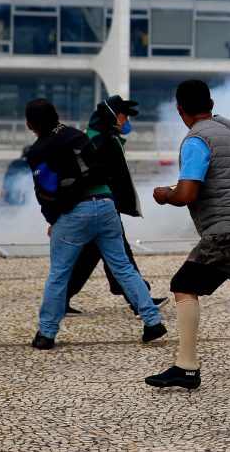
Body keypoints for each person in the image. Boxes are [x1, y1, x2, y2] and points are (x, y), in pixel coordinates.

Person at [144, 79, 230, 391]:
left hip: (225, 231)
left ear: (180, 110)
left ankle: (187, 367)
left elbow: (187, 193)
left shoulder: (195, 140)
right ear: (210, 103)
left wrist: (164, 193)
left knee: (183, 285)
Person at [25, 98, 165, 350]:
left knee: (59, 273)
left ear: (29, 126)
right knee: (123, 267)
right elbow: (100, 170)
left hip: (74, 213)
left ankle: (46, 334)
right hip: (105, 205)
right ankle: (153, 321)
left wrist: (53, 219)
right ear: (57, 114)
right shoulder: (78, 135)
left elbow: (45, 191)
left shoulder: (37, 151)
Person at [63, 96, 166, 316]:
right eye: (124, 116)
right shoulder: (103, 141)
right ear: (111, 116)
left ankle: (62, 299)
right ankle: (140, 300)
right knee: (120, 255)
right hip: (102, 206)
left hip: (99, 206)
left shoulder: (98, 137)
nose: (126, 121)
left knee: (89, 256)